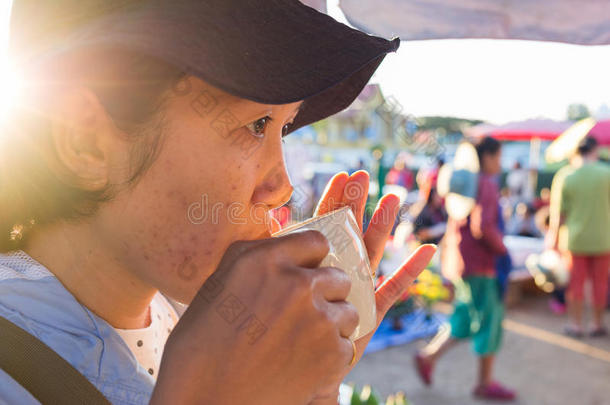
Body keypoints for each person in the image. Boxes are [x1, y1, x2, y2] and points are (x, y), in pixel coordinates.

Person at [0, 1, 437, 404]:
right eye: (256, 124)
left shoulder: (203, 321)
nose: (282, 186)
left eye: (284, 128)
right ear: (86, 143)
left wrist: (310, 392)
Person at [414, 137, 516, 401]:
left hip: (460, 262)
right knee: (488, 322)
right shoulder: (487, 186)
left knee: (464, 317)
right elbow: (483, 228)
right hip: (483, 266)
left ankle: (428, 356)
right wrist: (503, 249)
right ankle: (485, 382)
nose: (500, 164)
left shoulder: (465, 185)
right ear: (487, 158)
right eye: (498, 158)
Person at [546, 137, 610, 338]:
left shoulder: (566, 175)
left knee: (576, 285)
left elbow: (558, 215)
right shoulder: (606, 174)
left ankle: (575, 324)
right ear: (595, 150)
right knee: (600, 284)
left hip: (574, 241)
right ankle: (597, 323)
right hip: (603, 239)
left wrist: (552, 241)